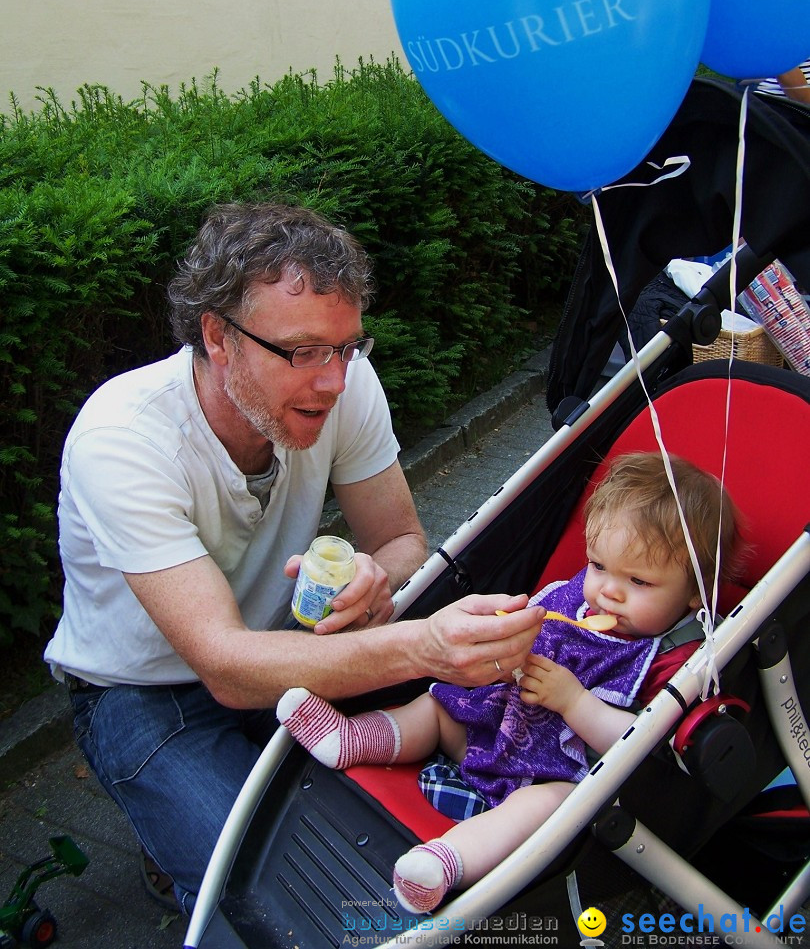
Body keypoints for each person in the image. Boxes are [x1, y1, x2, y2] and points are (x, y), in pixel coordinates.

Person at [43, 202, 544, 913]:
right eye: (302, 351)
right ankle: (187, 857)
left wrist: (378, 578)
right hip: (143, 693)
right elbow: (223, 665)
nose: (335, 381)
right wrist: (423, 646)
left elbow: (401, 541)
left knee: (408, 824)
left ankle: (195, 825)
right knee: (272, 887)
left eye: (346, 349)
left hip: (287, 652)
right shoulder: (122, 439)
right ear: (218, 336)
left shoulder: (344, 382)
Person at [278, 451, 745, 914]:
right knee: (439, 704)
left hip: (555, 778)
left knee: (547, 806)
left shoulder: (673, 658)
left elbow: (643, 746)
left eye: (638, 581)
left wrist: (574, 702)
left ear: (693, 592)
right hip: (494, 734)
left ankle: (446, 861)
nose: (608, 590)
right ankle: (354, 737)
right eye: (599, 566)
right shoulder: (575, 600)